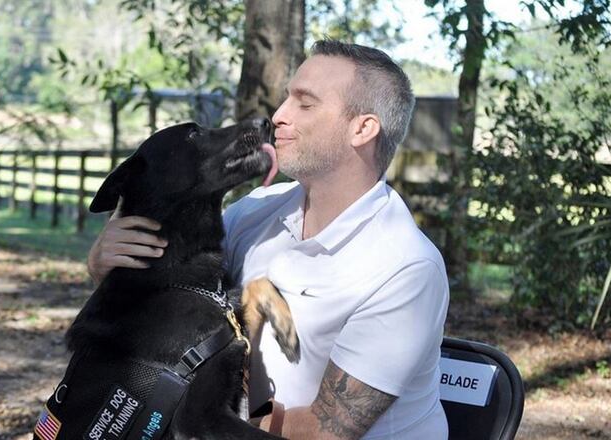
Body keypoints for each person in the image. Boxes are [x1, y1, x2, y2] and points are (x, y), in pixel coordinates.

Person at [87, 40, 449, 439]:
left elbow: (320, 432)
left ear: (362, 128)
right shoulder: (257, 210)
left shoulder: (405, 267)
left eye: (305, 104)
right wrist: (106, 260)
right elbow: (170, 307)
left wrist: (196, 406)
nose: (278, 116)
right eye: (286, 99)